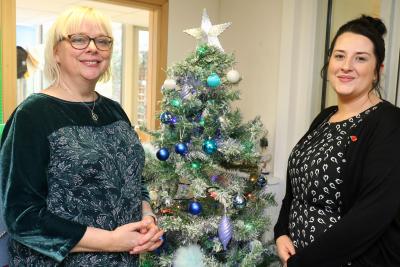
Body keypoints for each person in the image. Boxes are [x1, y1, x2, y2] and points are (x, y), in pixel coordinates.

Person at [0, 6, 164, 266]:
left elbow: (134, 179)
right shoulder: (32, 114)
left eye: (102, 41)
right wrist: (112, 241)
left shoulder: (114, 110)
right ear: (56, 52)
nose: (92, 48)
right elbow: (22, 215)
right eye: (78, 39)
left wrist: (148, 218)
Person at [274, 15, 400, 267]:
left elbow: (371, 215)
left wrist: (303, 262)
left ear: (378, 70)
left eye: (361, 58)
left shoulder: (389, 122)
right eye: (339, 56)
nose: (346, 66)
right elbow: (296, 189)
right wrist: (281, 233)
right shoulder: (325, 117)